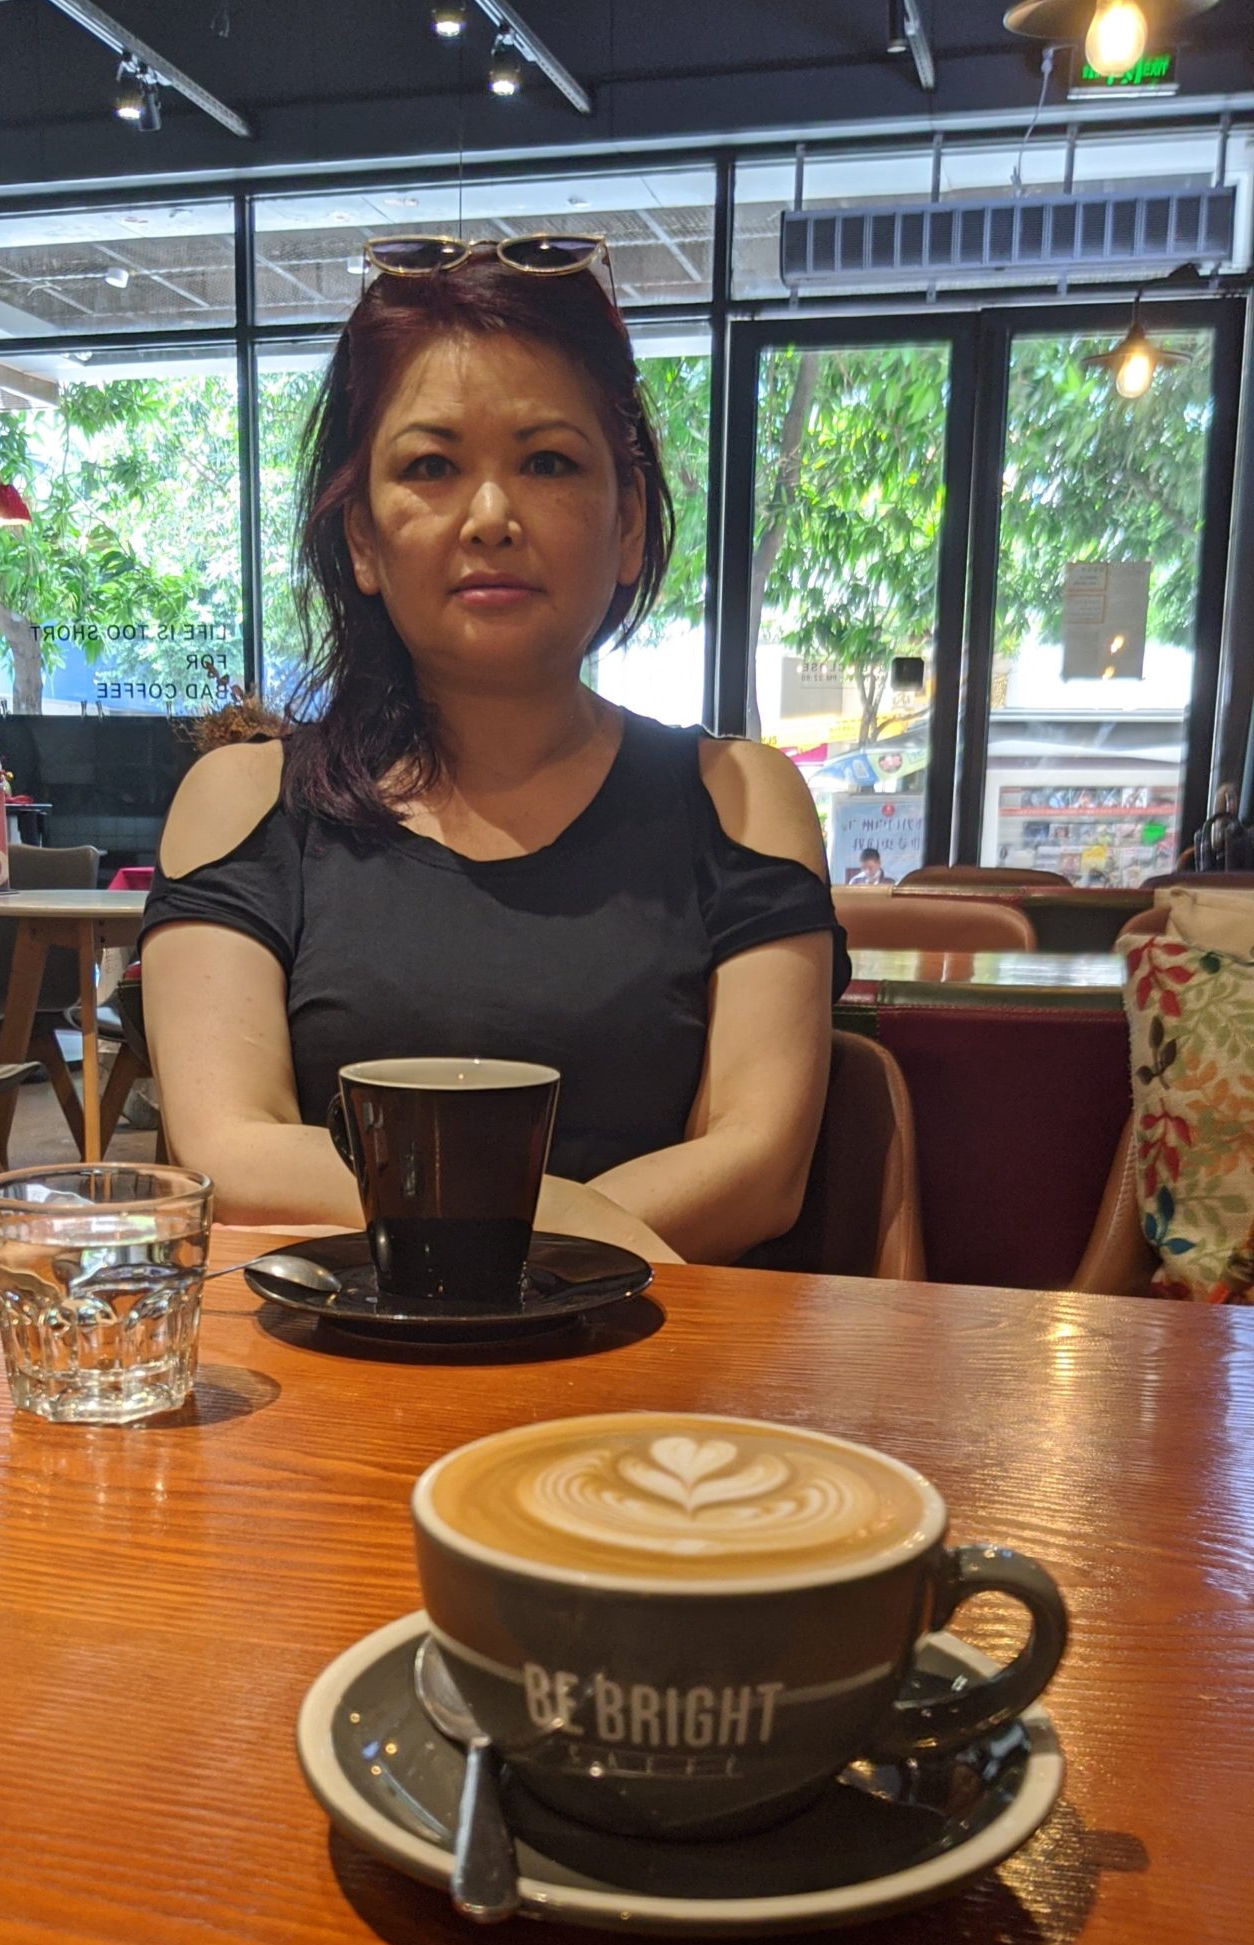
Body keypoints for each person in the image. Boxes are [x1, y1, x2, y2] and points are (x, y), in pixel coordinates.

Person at [141, 234, 849, 1267]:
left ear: (628, 526)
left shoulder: (742, 798)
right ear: (363, 540)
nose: (489, 518)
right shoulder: (245, 801)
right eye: (431, 466)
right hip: (336, 1353)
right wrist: (561, 1227)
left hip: (658, 1356)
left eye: (548, 462)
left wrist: (500, 1245)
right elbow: (230, 1151)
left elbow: (760, 1164)